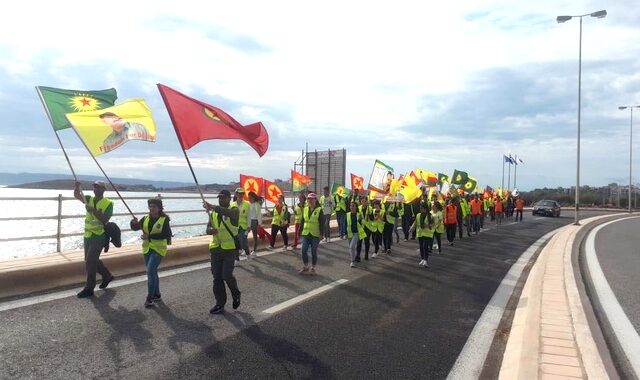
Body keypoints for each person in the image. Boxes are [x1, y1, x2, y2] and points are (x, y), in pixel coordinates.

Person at [74, 180, 114, 298]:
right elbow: (77, 196)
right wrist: (77, 187)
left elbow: (105, 219)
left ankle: (89, 288)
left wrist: (93, 210)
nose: (96, 189)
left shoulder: (108, 203)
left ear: (103, 190)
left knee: (90, 261)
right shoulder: (88, 198)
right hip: (88, 235)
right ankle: (107, 275)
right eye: (95, 187)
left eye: (99, 187)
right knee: (92, 260)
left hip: (99, 235)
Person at [204, 190, 241, 315]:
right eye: (219, 197)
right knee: (217, 278)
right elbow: (207, 229)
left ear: (229, 198)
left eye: (224, 198)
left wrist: (213, 207)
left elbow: (229, 213)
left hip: (229, 249)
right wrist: (210, 230)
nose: (221, 199)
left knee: (226, 275)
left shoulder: (234, 210)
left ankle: (236, 293)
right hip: (215, 249)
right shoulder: (214, 213)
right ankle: (220, 304)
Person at [130, 198, 172, 307]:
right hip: (147, 248)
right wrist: (133, 222)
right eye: (150, 206)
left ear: (159, 208)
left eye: (154, 207)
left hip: (158, 249)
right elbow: (135, 228)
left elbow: (167, 235)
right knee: (153, 272)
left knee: (150, 271)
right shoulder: (145, 218)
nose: (152, 208)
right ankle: (157, 294)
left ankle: (150, 297)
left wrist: (150, 236)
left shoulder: (164, 219)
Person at [299, 193, 325, 274]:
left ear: (315, 200)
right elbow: (302, 221)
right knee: (303, 250)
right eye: (308, 199)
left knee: (314, 251)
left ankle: (313, 268)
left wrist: (321, 234)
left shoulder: (319, 210)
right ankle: (306, 266)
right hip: (306, 233)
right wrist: (299, 232)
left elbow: (322, 223)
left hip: (315, 234)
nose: (310, 200)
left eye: (312, 199)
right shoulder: (305, 209)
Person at [409, 203, 434, 267]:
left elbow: (432, 225)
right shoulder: (418, 215)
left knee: (425, 246)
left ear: (425, 209)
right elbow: (415, 222)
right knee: (421, 247)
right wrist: (412, 228)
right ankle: (422, 259)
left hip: (427, 233)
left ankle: (426, 260)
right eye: (420, 208)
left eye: (421, 208)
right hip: (420, 233)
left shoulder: (430, 216)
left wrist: (427, 225)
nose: (420, 209)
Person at [231, 188, 251, 262]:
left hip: (244, 227)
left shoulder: (247, 204)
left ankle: (247, 253)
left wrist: (249, 226)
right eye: (238, 193)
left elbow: (249, 216)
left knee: (243, 242)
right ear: (236, 194)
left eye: (242, 193)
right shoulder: (232, 204)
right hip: (234, 227)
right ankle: (236, 259)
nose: (240, 195)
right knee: (235, 243)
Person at [346, 201, 367, 268]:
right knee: (351, 248)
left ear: (356, 207)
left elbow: (362, 224)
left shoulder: (359, 215)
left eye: (353, 206)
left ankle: (352, 261)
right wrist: (344, 233)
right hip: (349, 233)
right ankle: (353, 257)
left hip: (356, 233)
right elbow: (345, 224)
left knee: (351, 247)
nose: (352, 207)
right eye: (351, 206)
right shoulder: (347, 215)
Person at [356, 196, 375, 261]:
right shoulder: (359, 208)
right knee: (359, 242)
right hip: (361, 227)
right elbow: (358, 218)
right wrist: (359, 220)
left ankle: (366, 254)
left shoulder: (370, 208)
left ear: (367, 201)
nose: (363, 202)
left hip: (368, 227)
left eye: (364, 201)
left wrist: (370, 213)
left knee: (367, 242)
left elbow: (372, 219)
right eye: (362, 201)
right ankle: (358, 255)